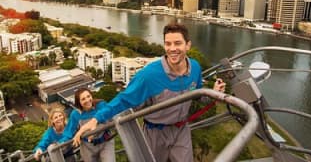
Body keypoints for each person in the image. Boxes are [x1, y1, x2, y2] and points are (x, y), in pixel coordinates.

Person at [74, 23, 225, 162]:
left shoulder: (195, 68)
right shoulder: (149, 75)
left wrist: (213, 93)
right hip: (155, 133)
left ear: (188, 45)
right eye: (168, 43)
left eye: (177, 43)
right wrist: (96, 119)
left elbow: (198, 94)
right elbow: (124, 99)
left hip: (181, 130)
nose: (172, 49)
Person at [60, 88, 115, 162]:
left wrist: (88, 130)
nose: (87, 100)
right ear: (79, 102)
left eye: (88, 96)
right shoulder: (76, 114)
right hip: (87, 147)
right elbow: (69, 132)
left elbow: (109, 120)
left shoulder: (101, 105)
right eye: (83, 99)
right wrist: (61, 144)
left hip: (105, 141)